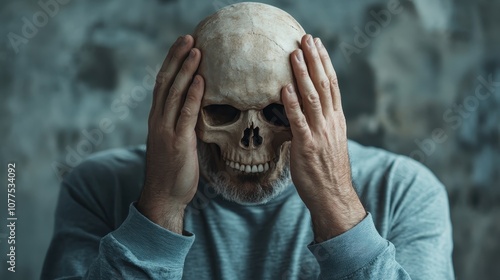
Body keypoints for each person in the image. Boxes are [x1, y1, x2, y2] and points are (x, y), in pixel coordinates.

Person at [42, 3, 454, 279]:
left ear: (318, 107)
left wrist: (335, 203)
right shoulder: (96, 190)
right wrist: (160, 207)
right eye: (223, 113)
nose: (251, 138)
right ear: (181, 103)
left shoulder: (405, 193)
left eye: (278, 114)